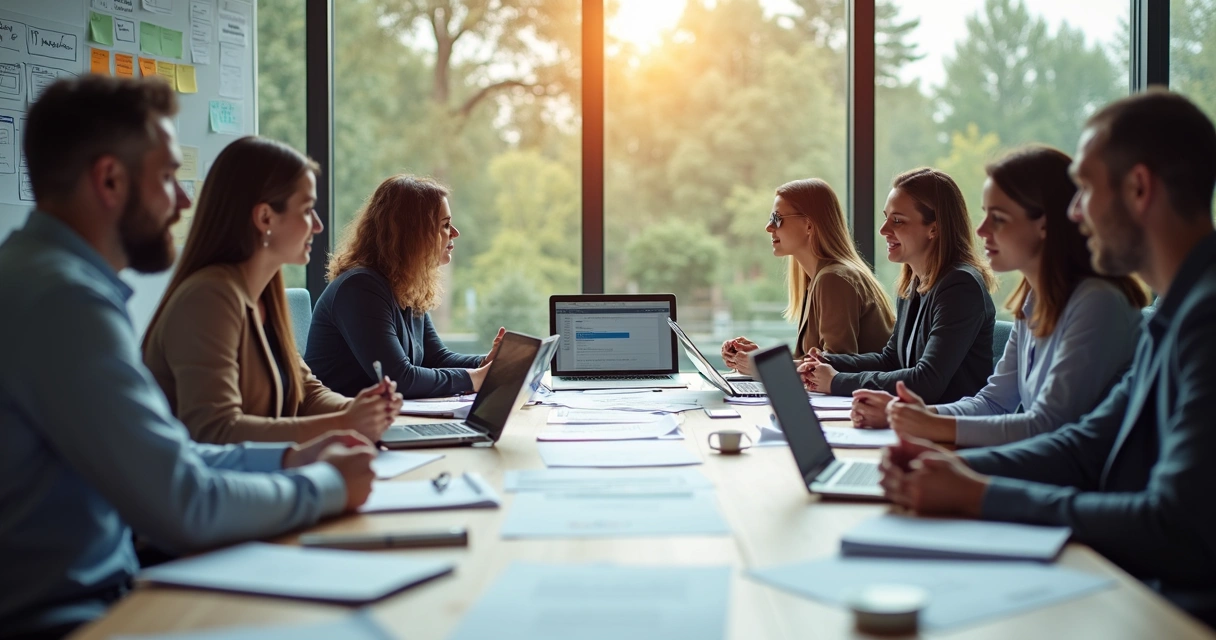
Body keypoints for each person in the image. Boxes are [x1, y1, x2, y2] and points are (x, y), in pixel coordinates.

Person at [0, 76, 377, 640]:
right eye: (168, 176)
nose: (181, 199)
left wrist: (289, 462)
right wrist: (324, 485)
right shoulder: (64, 303)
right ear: (109, 180)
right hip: (78, 617)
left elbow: (176, 456)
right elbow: (183, 502)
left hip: (112, 591)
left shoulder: (45, 279)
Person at [880, 90, 1216, 626]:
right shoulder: (1173, 312)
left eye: (1083, 189)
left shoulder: (1203, 319)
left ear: (1138, 188)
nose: (1074, 212)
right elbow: (1084, 445)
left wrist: (980, 494)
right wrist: (953, 469)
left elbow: (1175, 528)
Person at [850, 147, 1149, 446]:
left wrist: (926, 426)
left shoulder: (1097, 303)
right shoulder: (1033, 301)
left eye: (999, 218)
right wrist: (916, 416)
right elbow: (993, 402)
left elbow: (1047, 427)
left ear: (1045, 224)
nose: (981, 231)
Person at [142, 137, 403, 444]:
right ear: (265, 217)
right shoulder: (208, 298)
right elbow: (216, 430)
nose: (317, 225)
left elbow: (305, 393)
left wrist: (360, 409)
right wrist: (346, 421)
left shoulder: (264, 293)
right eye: (307, 210)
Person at [798, 168, 997, 403]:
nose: (883, 230)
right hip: (912, 420)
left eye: (898, 221)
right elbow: (891, 360)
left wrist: (836, 381)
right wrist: (825, 362)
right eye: (886, 218)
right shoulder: (914, 281)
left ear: (934, 228)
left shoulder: (960, 287)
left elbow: (926, 382)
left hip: (949, 430)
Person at [305, 175, 504, 399]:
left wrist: (486, 363)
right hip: (344, 426)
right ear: (413, 234)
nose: (455, 233)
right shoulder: (359, 288)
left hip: (381, 419)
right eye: (445, 225)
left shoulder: (405, 285)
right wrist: (475, 378)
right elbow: (399, 379)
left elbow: (435, 358)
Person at [720, 179, 894, 377]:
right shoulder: (818, 278)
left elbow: (834, 368)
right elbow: (811, 361)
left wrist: (763, 366)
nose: (769, 227)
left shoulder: (833, 279)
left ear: (809, 225)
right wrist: (758, 358)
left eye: (777, 218)